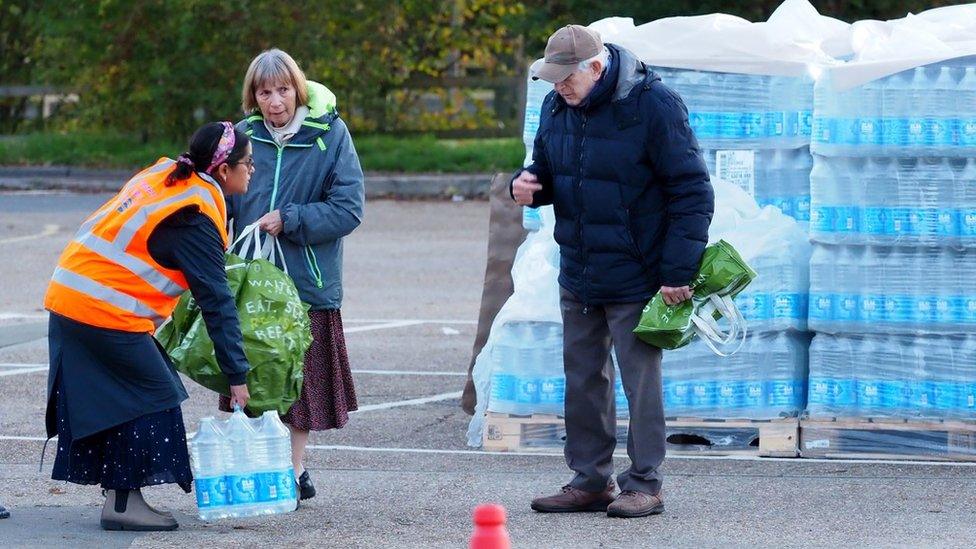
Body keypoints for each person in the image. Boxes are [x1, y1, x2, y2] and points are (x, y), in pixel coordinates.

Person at [512, 25, 714, 518]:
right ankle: (589, 479)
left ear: (596, 68)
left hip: (640, 271)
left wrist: (678, 271)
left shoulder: (654, 105)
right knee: (582, 378)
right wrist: (530, 187)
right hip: (579, 266)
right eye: (553, 79)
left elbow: (692, 192)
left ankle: (645, 483)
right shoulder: (556, 106)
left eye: (566, 79)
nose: (558, 87)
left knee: (639, 382)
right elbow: (548, 171)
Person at [43, 122, 255, 531]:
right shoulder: (192, 216)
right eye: (248, 163)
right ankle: (123, 505)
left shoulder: (169, 176)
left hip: (76, 299)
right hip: (98, 309)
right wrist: (237, 375)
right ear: (224, 170)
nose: (253, 171)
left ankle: (121, 497)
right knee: (153, 394)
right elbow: (217, 301)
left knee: (123, 396)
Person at [221, 48, 365, 501]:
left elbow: (348, 208)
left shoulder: (331, 134)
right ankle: (253, 464)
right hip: (249, 282)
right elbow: (220, 196)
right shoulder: (242, 136)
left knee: (299, 384)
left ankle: (294, 469)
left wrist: (291, 219)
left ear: (298, 90)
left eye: (283, 89)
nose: (275, 101)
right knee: (248, 378)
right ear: (254, 96)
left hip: (307, 281)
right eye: (265, 92)